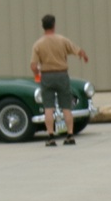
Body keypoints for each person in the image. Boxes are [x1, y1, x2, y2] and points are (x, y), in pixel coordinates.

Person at [30, 14, 89, 146]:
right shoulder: (62, 40)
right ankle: (70, 135)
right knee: (66, 107)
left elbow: (33, 66)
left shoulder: (38, 44)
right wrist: (83, 56)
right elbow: (78, 51)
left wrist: (37, 75)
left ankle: (51, 137)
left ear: (43, 26)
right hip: (62, 75)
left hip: (47, 76)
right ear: (54, 25)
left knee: (48, 108)